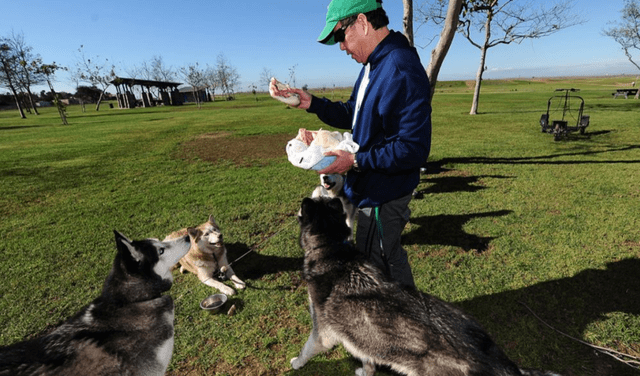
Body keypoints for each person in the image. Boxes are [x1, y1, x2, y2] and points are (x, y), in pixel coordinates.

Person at [271, 0, 431, 289]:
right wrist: (310, 102)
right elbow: (353, 114)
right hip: (371, 188)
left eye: (341, 36)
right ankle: (406, 322)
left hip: (384, 193)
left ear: (361, 22)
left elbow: (413, 148)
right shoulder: (374, 63)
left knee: (381, 263)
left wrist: (354, 161)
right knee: (383, 259)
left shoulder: (399, 66)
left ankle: (405, 325)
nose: (342, 47)